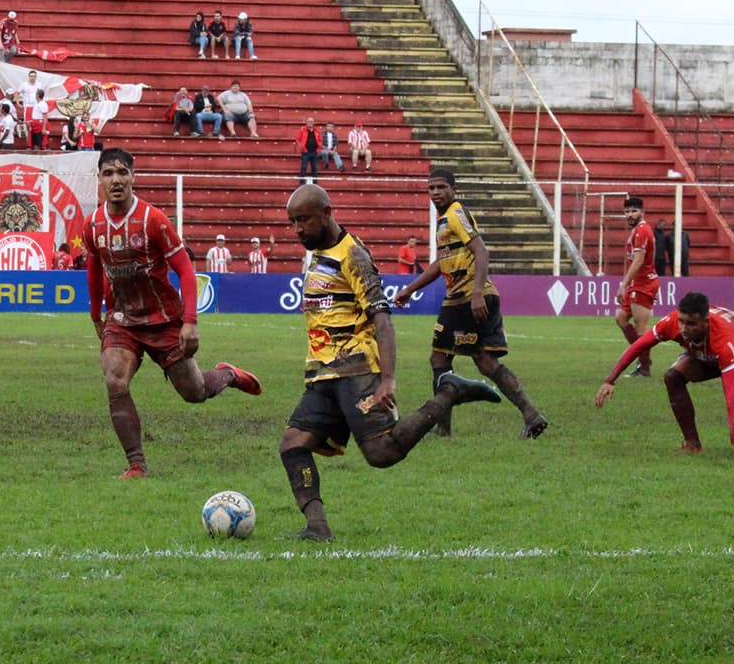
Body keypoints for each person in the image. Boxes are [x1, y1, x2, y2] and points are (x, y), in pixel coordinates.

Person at [280, 183, 502, 541]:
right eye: (292, 222)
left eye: (303, 220)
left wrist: (388, 380)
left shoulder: (353, 256)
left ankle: (448, 393)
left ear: (326, 212)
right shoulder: (319, 252)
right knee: (293, 444)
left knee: (382, 453)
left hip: (356, 369)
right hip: (322, 374)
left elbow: (383, 320)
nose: (297, 229)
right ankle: (317, 528)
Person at [81, 148, 261, 478]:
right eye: (109, 173)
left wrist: (190, 322)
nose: (116, 180)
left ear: (133, 176)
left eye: (122, 172)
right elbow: (93, 268)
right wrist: (96, 314)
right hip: (122, 319)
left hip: (164, 319)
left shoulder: (153, 220)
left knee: (194, 393)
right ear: (100, 179)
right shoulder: (92, 225)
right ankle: (137, 465)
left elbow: (185, 270)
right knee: (114, 378)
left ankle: (228, 375)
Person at [393, 167, 548, 440]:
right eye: (431, 188)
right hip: (469, 295)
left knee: (440, 358)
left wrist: (476, 293)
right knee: (486, 362)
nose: (436, 193)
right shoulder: (445, 221)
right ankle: (531, 415)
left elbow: (481, 250)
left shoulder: (455, 213)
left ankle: (442, 428)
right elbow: (441, 264)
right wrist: (409, 289)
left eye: (441, 187)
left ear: (454, 189)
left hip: (465, 297)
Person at [595, 291, 734, 458]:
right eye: (681, 322)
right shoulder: (672, 322)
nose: (683, 329)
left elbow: (732, 392)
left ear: (705, 322)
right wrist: (610, 380)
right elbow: (639, 345)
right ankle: (692, 445)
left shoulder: (724, 338)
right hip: (707, 354)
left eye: (691, 324)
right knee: (673, 377)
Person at [614, 195, 659, 377]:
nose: (630, 215)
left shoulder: (642, 231)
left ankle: (644, 367)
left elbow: (639, 260)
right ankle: (642, 358)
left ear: (642, 212)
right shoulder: (637, 231)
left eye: (634, 211)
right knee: (621, 318)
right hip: (637, 282)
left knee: (641, 327)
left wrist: (623, 284)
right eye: (627, 212)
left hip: (643, 283)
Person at [295, 115, 322, 184]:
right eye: (309, 121)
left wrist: (318, 149)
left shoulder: (317, 130)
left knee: (314, 168)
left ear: (314, 123)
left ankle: (315, 183)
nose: (310, 123)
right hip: (306, 152)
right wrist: (301, 147)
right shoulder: (302, 130)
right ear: (306, 122)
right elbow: (297, 139)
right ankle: (301, 182)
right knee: (304, 167)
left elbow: (320, 140)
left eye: (311, 121)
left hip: (314, 151)